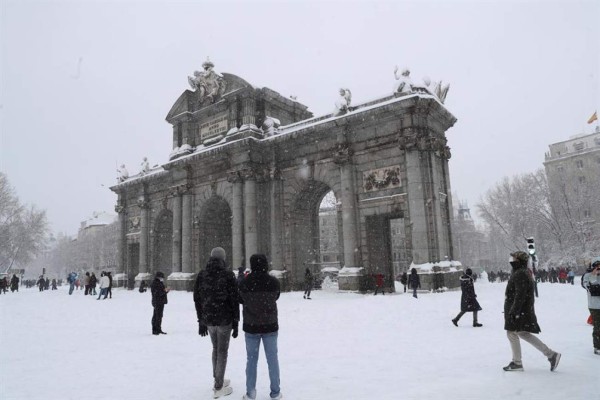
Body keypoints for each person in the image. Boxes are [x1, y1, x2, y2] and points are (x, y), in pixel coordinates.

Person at [503, 251, 561, 372]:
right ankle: (550, 355)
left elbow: (520, 295)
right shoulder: (521, 272)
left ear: (519, 261)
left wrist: (514, 311)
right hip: (521, 310)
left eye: (513, 258)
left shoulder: (520, 273)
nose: (511, 260)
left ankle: (518, 363)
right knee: (520, 333)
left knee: (513, 333)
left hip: (520, 310)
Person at [194, 247, 239, 398]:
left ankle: (218, 378)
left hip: (209, 320)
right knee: (222, 351)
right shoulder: (228, 275)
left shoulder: (202, 274)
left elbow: (197, 299)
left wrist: (201, 320)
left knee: (215, 348)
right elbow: (234, 300)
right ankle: (218, 386)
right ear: (223, 258)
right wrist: (236, 322)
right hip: (224, 319)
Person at [239, 254, 282, 400]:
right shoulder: (273, 282)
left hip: (251, 327)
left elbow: (241, 299)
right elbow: (276, 296)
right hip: (270, 326)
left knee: (251, 360)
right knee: (272, 359)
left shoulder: (245, 283)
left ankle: (251, 393)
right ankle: (275, 392)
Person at [582, 257, 600, 355]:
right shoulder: (588, 276)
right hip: (594, 306)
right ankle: (597, 346)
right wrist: (594, 276)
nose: (599, 268)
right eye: (597, 265)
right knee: (598, 327)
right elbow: (590, 288)